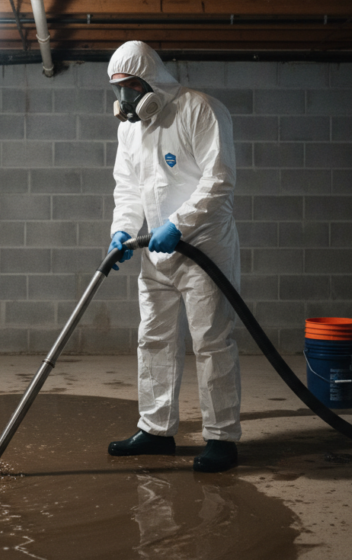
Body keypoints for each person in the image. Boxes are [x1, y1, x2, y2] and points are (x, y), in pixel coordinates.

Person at [105, 41, 242, 473]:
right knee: (154, 338)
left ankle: (221, 437)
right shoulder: (129, 130)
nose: (125, 99)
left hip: (202, 247)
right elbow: (128, 186)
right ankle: (156, 430)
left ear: (151, 81)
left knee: (211, 342)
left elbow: (219, 180)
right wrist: (123, 229)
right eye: (118, 90)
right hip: (156, 250)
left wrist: (178, 225)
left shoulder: (200, 110)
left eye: (131, 88)